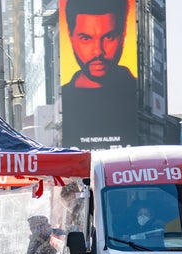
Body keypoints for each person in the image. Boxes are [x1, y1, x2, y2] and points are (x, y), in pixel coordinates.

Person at [61, 0, 137, 150]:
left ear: (124, 33)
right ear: (70, 36)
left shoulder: (137, 94)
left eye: (109, 37)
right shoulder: (64, 99)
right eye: (86, 38)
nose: (98, 51)